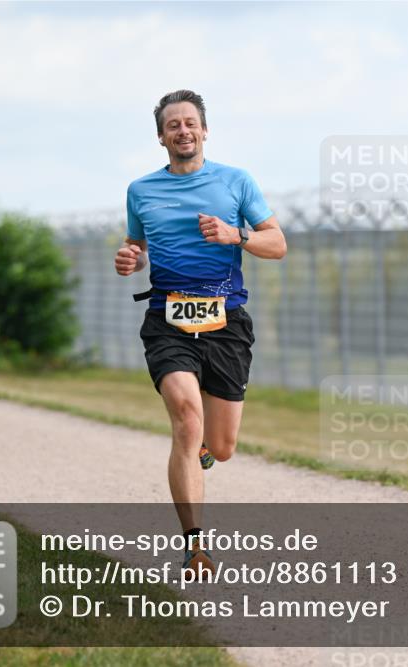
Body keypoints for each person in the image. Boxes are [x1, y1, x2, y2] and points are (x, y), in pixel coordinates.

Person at [115, 90, 286, 575]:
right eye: (173, 125)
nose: (183, 131)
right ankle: (195, 546)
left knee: (223, 447)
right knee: (187, 420)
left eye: (190, 122)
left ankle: (209, 448)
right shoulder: (141, 190)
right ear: (161, 137)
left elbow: (277, 244)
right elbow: (136, 245)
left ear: (205, 130)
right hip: (167, 320)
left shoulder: (236, 181)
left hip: (225, 322)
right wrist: (131, 258)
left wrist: (237, 235)